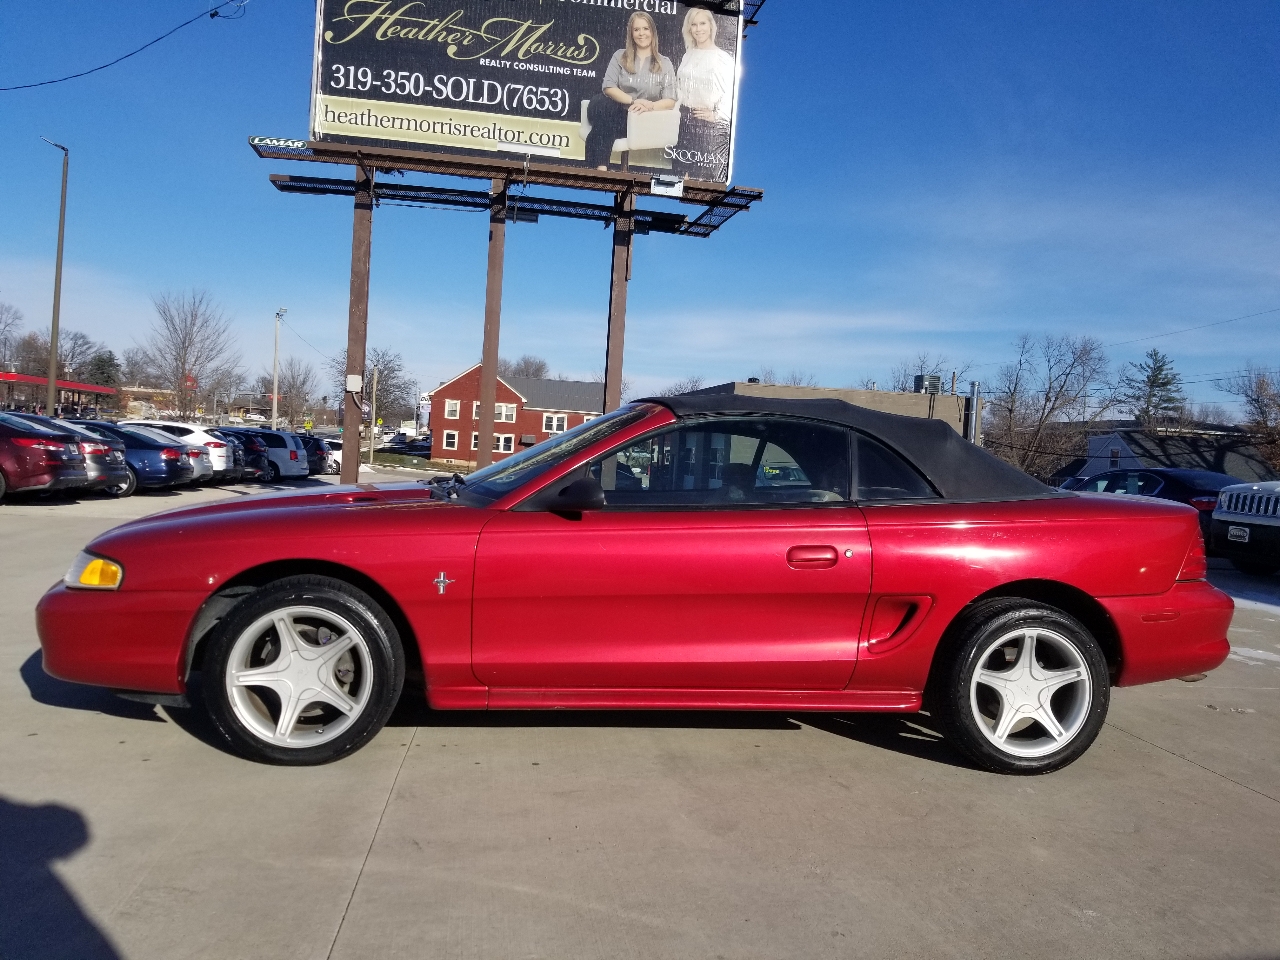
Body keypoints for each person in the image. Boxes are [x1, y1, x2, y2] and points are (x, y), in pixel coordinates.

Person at [585, 11, 677, 170]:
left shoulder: (665, 63)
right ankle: (602, 169)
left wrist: (649, 106)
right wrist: (633, 101)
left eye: (645, 29)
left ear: (652, 32)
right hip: (614, 109)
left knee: (603, 122)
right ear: (631, 34)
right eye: (636, 30)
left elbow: (670, 100)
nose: (641, 33)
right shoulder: (619, 56)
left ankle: (597, 170)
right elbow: (608, 87)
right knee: (603, 104)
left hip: (639, 120)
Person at [673, 6, 736, 179]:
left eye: (702, 23)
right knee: (679, 176)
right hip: (682, 119)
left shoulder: (723, 58)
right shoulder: (688, 55)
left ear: (711, 26)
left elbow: (731, 92)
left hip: (705, 126)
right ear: (689, 28)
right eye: (694, 24)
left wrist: (717, 115)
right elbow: (680, 87)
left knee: (696, 177)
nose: (698, 29)